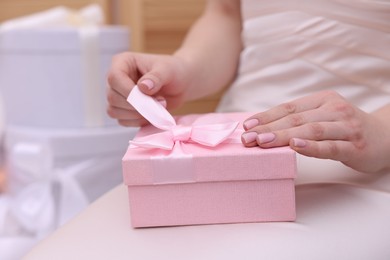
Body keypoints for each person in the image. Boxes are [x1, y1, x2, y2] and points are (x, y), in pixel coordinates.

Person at [106, 0, 390, 174]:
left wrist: (379, 132)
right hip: (235, 140)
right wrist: (185, 69)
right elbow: (227, 13)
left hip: (365, 160)